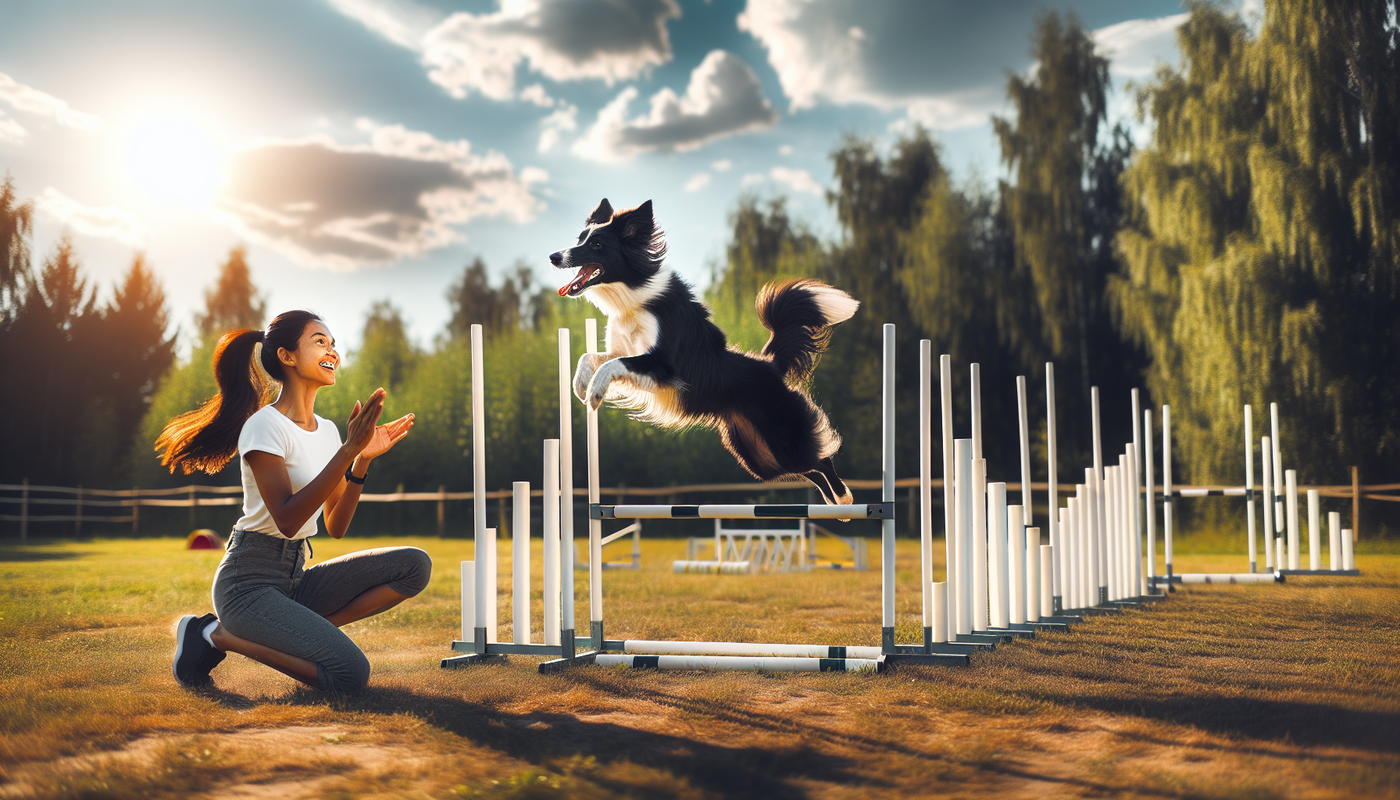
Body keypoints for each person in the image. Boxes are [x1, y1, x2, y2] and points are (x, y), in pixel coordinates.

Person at [158, 310, 430, 693]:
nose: (332, 351)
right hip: (247, 584)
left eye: (333, 344)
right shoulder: (263, 426)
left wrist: (361, 460)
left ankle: (296, 629)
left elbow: (335, 526)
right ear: (287, 356)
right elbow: (287, 518)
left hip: (296, 576)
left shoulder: (329, 431)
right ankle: (214, 635)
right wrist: (348, 450)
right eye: (320, 341)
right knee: (350, 675)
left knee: (414, 565)